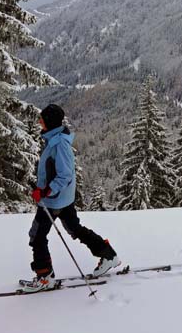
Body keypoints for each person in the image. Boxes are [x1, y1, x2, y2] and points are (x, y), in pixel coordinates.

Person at [24, 104, 121, 292]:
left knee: (37, 235)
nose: (39, 121)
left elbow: (65, 175)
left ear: (50, 122)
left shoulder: (59, 143)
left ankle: (44, 277)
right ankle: (108, 255)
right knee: (74, 229)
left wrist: (45, 192)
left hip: (53, 200)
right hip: (60, 198)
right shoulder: (53, 140)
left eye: (42, 119)